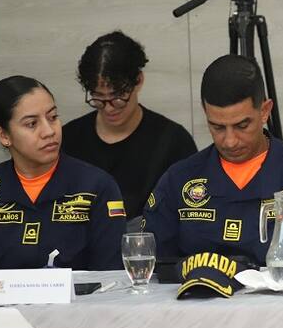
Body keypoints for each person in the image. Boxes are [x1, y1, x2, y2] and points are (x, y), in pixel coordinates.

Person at [144, 55, 283, 265]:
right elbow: (154, 272)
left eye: (242, 126)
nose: (230, 141)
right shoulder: (178, 181)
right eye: (217, 127)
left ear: (264, 111)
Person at [0, 76, 125, 270]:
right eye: (32, 124)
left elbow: (112, 277)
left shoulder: (97, 186)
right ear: (4, 135)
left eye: (52, 118)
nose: (49, 131)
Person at [62, 31, 196, 229]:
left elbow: (190, 214)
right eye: (98, 98)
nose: (108, 107)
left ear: (139, 81)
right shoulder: (69, 139)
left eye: (118, 96)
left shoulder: (172, 141)